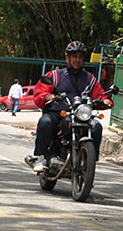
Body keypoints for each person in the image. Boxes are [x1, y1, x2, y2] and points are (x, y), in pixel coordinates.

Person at [26, 41, 114, 173]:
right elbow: (40, 93)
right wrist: (48, 96)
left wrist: (105, 100)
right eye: (74, 56)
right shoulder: (55, 76)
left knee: (96, 126)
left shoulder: (90, 79)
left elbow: (100, 95)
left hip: (81, 115)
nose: (77, 60)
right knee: (45, 121)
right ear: (67, 58)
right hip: (59, 113)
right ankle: (40, 157)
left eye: (80, 57)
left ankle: (90, 162)